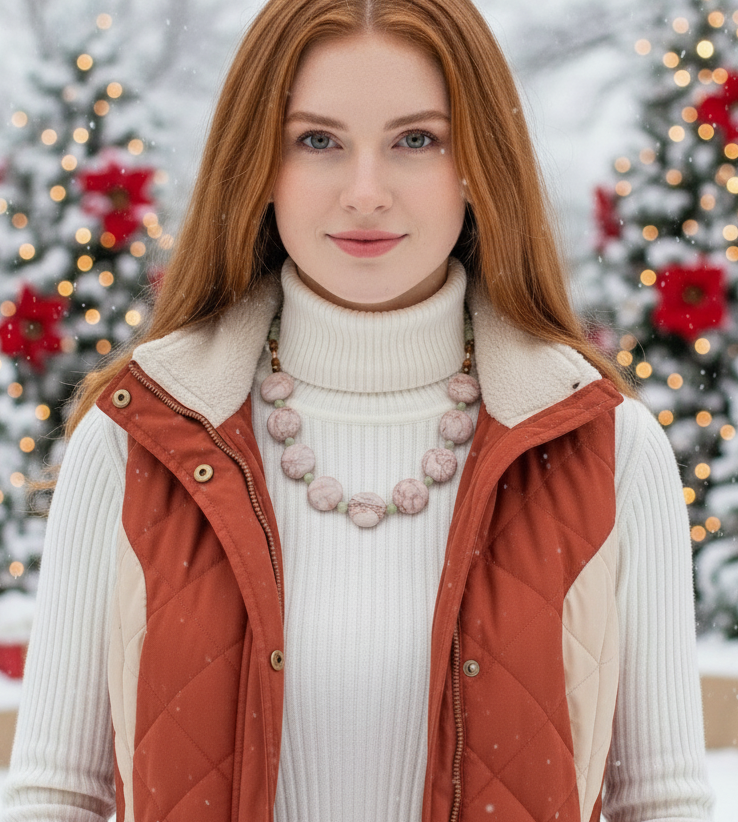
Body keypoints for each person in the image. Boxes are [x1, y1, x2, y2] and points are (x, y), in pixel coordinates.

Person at [1, 1, 717, 820]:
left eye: (417, 140)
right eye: (318, 141)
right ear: (260, 164)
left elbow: (662, 802)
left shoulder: (608, 446)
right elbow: (55, 796)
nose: (366, 192)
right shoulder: (133, 441)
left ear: (476, 161)